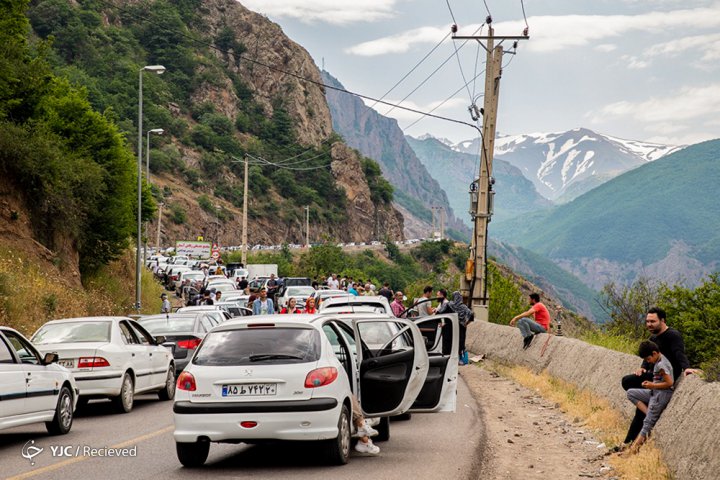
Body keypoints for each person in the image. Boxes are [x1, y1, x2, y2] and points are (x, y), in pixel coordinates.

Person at [619, 307, 697, 448]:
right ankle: (628, 443)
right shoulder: (653, 337)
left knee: (628, 382)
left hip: (663, 378)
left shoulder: (673, 335)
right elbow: (647, 355)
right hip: (653, 377)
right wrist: (642, 367)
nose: (649, 324)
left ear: (662, 320)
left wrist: (686, 368)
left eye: (653, 321)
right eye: (647, 321)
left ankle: (629, 443)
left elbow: (679, 352)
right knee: (634, 396)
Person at [626, 341, 674, 453]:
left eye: (648, 359)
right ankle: (650, 414)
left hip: (661, 395)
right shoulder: (658, 361)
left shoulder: (662, 365)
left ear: (654, 353)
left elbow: (669, 383)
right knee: (631, 393)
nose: (648, 362)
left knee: (647, 425)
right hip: (654, 392)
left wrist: (652, 385)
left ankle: (633, 451)